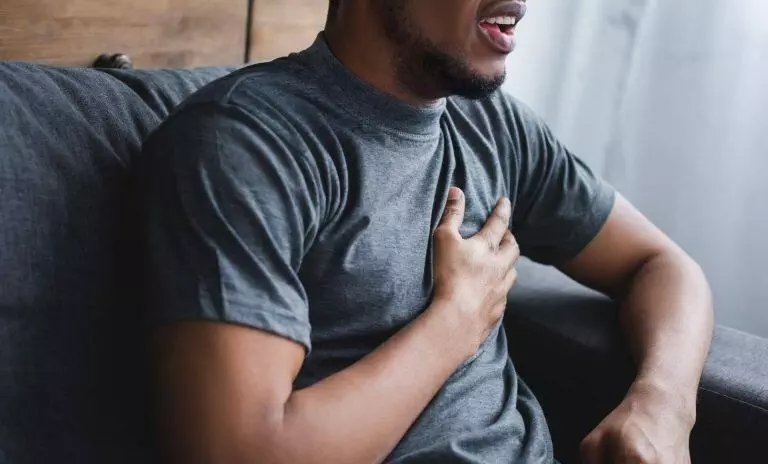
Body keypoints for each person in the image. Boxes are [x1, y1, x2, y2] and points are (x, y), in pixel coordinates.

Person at [139, 1, 714, 463]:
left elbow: (662, 265)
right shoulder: (248, 144)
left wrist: (661, 406)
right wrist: (457, 320)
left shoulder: (492, 124)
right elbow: (243, 451)